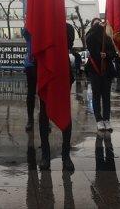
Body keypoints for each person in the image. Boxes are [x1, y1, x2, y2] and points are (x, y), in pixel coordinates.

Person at [37, 23, 76, 171]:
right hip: (45, 70)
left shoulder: (67, 27)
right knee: (43, 112)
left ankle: (66, 155)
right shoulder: (42, 25)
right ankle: (45, 155)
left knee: (65, 111)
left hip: (62, 71)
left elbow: (68, 43)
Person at [85, 18, 117, 132]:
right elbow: (89, 43)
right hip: (95, 69)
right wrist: (96, 26)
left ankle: (107, 119)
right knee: (96, 95)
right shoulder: (90, 36)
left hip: (106, 70)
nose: (99, 25)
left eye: (100, 23)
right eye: (95, 23)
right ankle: (98, 119)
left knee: (106, 96)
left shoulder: (107, 38)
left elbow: (113, 52)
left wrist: (106, 55)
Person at [22, 27, 36, 132]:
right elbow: (25, 31)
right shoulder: (28, 30)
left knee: (44, 93)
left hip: (42, 63)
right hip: (31, 64)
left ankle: (45, 118)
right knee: (31, 93)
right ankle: (30, 119)